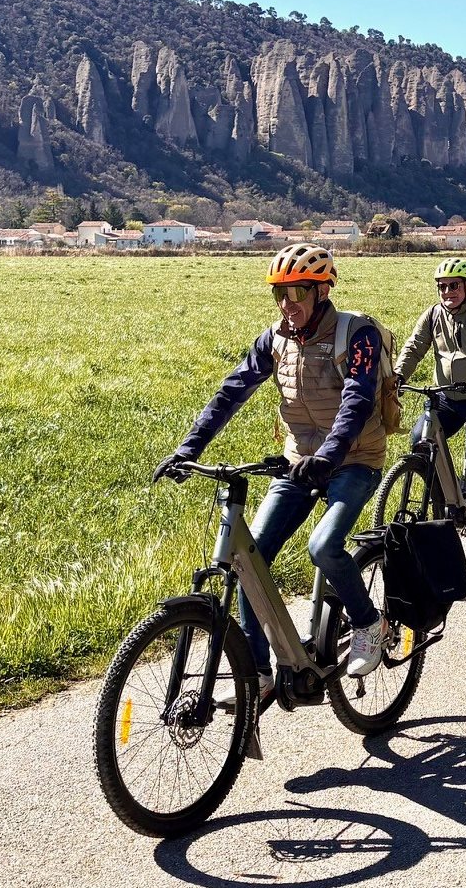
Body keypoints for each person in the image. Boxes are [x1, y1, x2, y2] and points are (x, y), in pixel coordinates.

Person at [152, 243, 389, 701]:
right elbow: (231, 393)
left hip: (355, 459)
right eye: (280, 294)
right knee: (250, 558)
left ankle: (368, 623)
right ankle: (258, 673)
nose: (288, 304)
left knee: (323, 546)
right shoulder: (274, 340)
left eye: (297, 292)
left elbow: (357, 401)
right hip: (300, 462)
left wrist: (331, 455)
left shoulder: (357, 335)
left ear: (322, 291)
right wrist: (188, 447)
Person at [394, 257, 466, 537]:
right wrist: (397, 376)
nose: (447, 292)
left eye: (454, 285)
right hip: (447, 397)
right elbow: (414, 347)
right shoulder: (433, 315)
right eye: (442, 287)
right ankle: (451, 499)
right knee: (420, 441)